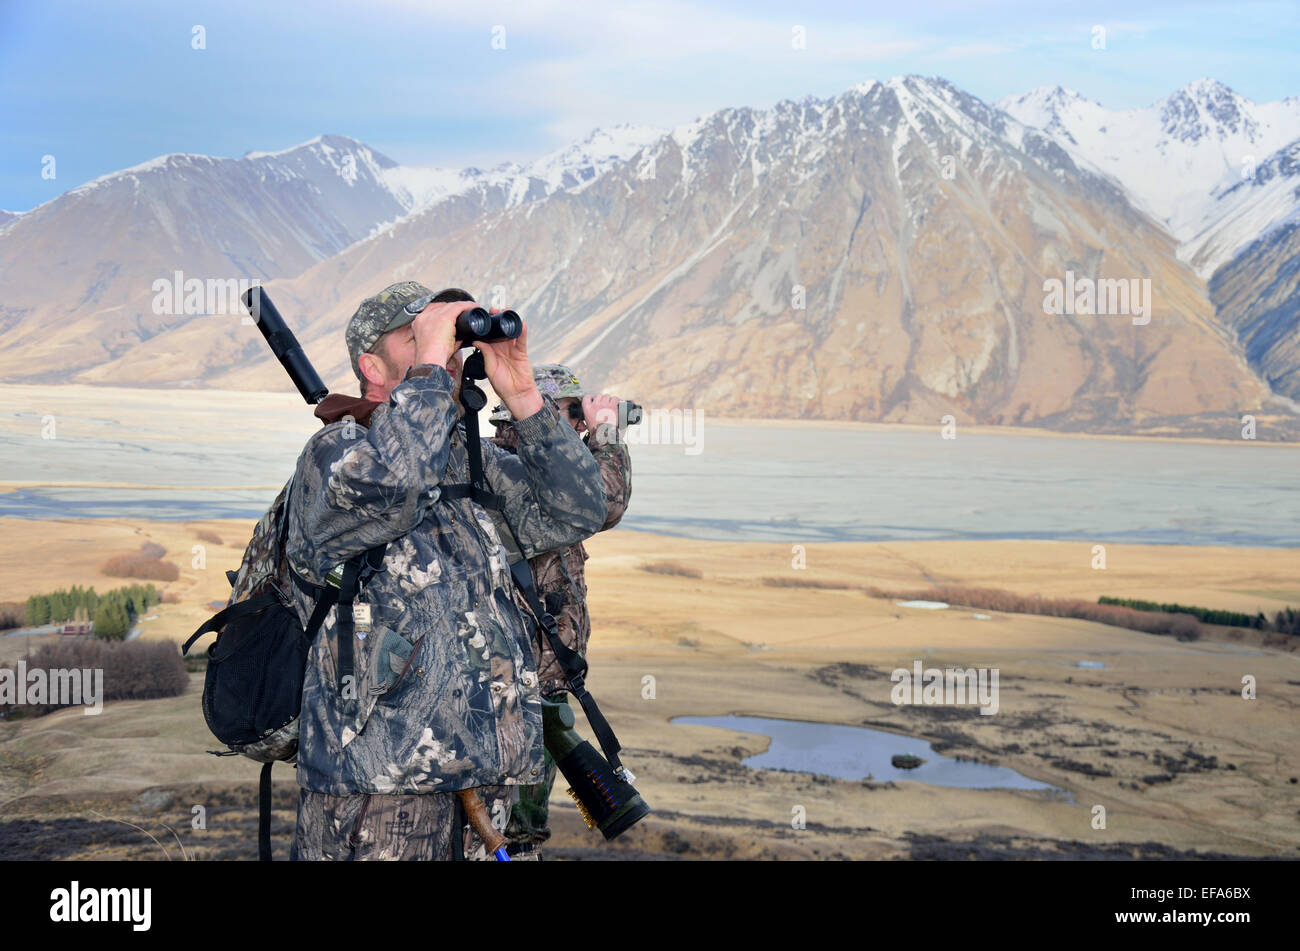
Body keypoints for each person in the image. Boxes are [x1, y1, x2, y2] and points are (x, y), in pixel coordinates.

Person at [284, 282, 608, 860]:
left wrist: (525, 396)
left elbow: (579, 510)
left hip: (487, 786)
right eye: (416, 336)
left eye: (449, 337)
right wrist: (432, 371)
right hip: (377, 788)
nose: (445, 349)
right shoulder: (335, 453)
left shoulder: (472, 462)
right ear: (370, 365)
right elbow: (398, 480)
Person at [488, 364, 632, 856]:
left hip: (542, 679)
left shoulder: (520, 464)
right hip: (519, 685)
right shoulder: (513, 468)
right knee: (514, 827)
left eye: (582, 416)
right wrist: (607, 434)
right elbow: (606, 502)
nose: (580, 425)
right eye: (572, 413)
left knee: (522, 811)